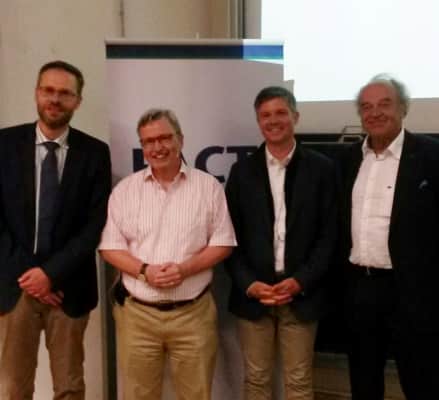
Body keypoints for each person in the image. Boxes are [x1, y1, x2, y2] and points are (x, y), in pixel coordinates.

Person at [99, 108, 236, 400]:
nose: (157, 147)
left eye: (164, 138)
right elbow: (110, 247)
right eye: (149, 141)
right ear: (142, 146)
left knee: (196, 395)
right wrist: (144, 271)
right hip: (137, 316)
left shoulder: (208, 187)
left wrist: (185, 270)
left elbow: (223, 242)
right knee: (138, 396)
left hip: (193, 314)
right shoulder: (125, 190)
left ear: (180, 140)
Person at [0, 60, 112, 399]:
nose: (55, 99)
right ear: (36, 93)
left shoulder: (95, 153)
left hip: (69, 288)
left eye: (65, 93)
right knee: (13, 388)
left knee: (69, 388)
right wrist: (32, 277)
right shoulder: (4, 144)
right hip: (15, 286)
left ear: (78, 101)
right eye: (48, 90)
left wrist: (51, 274)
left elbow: (95, 223)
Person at [225, 86, 337, 400]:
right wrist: (249, 284)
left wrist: (301, 280)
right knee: (256, 380)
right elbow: (228, 236)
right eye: (265, 115)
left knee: (299, 382)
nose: (273, 121)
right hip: (254, 296)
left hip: (301, 294)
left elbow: (329, 236)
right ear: (258, 121)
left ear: (295, 116)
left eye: (280, 113)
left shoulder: (322, 169)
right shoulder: (242, 172)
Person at [339, 74, 439, 400]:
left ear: (403, 108)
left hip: (413, 291)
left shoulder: (432, 156)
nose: (375, 113)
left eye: (384, 104)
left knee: (421, 381)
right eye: (367, 107)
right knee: (364, 380)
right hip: (360, 288)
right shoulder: (348, 159)